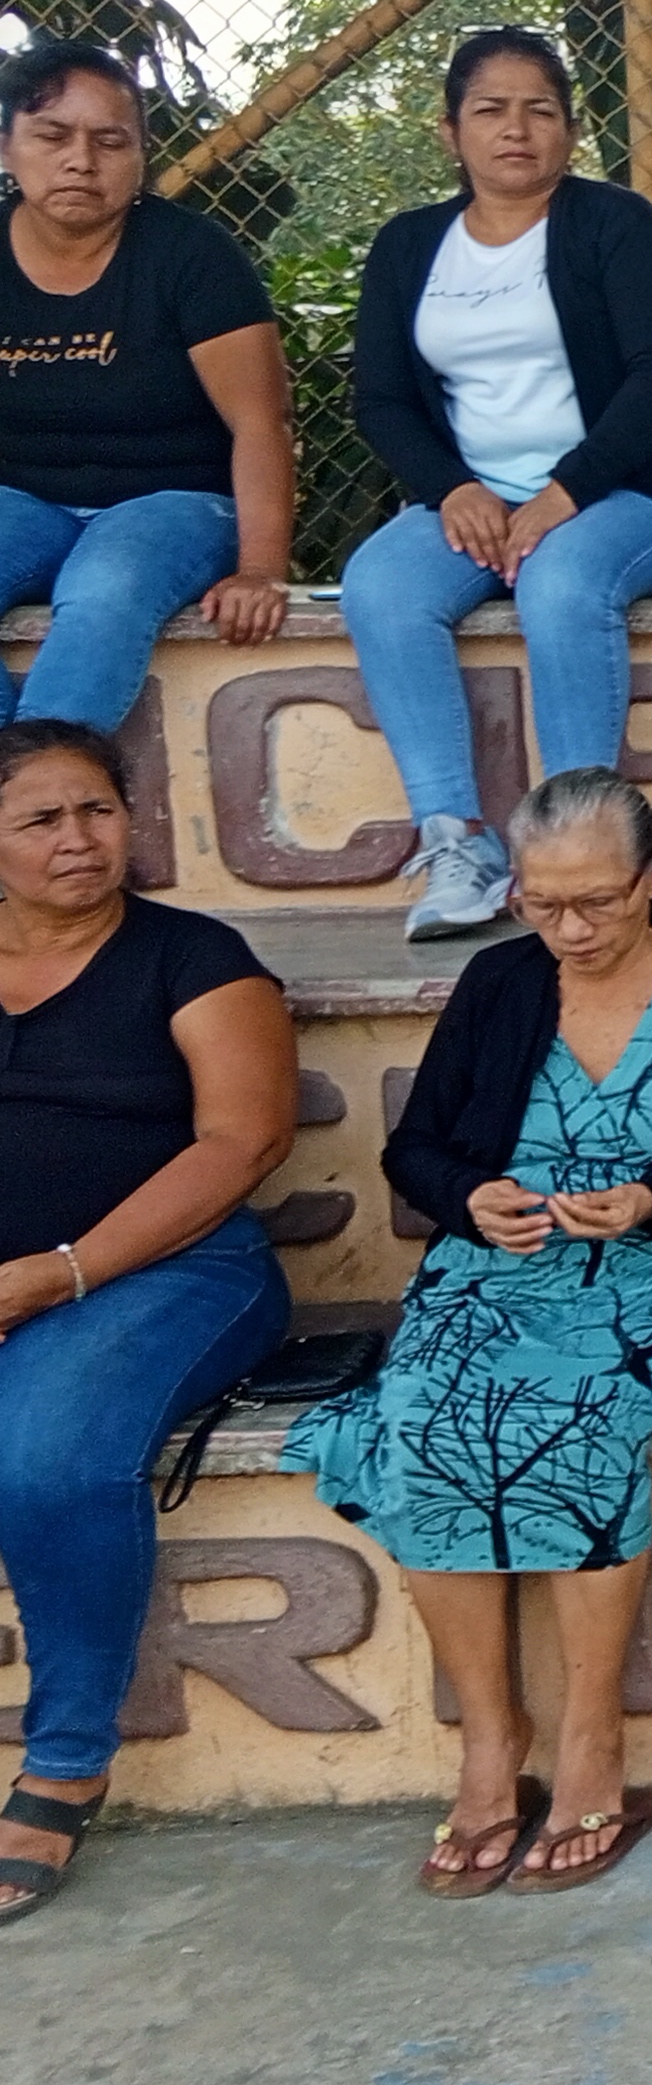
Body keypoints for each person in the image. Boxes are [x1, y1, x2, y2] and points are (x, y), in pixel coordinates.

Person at [289, 770, 652, 1894]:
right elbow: (414, 1150)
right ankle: (491, 1737)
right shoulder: (501, 980)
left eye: (599, 901)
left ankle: (592, 1738)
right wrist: (471, 1199)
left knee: (583, 1408)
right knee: (419, 1414)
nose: (572, 929)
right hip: (503, 1263)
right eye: (543, 903)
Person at [0, 719, 293, 1924]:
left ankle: (66, 1760)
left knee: (51, 1456)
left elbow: (245, 1139)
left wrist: (54, 1276)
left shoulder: (193, 957)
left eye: (98, 811)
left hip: (177, 1272)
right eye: (42, 819)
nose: (80, 838)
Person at [344, 27, 652, 939]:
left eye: (540, 110)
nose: (516, 129)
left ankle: (579, 848)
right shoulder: (409, 246)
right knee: (382, 586)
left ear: (569, 130)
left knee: (562, 580)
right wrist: (452, 489)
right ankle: (457, 844)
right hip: (477, 502)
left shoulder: (616, 226)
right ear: (450, 131)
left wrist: (563, 494)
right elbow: (381, 399)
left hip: (630, 497)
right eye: (490, 110)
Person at [0, 40, 294, 726]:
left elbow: (261, 423)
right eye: (53, 136)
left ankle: (46, 773)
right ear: (7, 147)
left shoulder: (191, 255)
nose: (81, 160)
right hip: (23, 499)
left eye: (111, 141)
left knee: (107, 589)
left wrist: (260, 570)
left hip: (174, 502)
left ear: (140, 157)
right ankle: (25, 785)